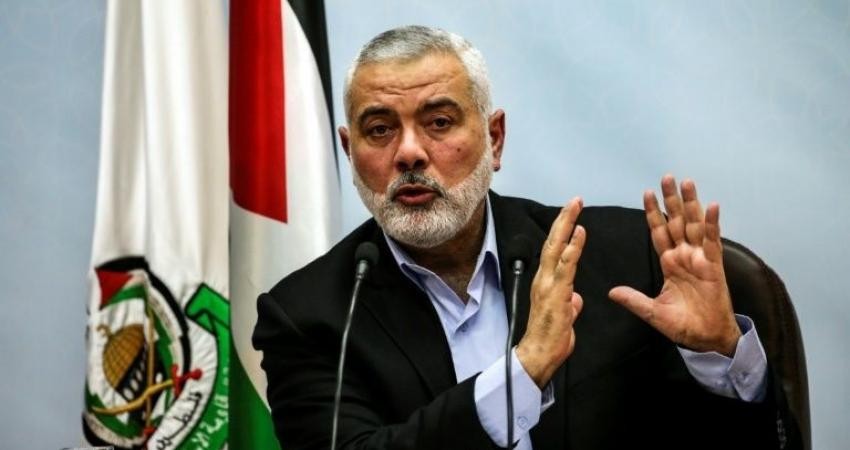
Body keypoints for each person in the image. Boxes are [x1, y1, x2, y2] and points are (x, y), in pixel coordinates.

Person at [253, 25, 801, 450]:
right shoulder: (308, 316)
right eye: (380, 130)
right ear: (349, 152)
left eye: (439, 122)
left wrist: (718, 357)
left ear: (494, 139)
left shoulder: (629, 257)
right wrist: (522, 374)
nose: (410, 152)